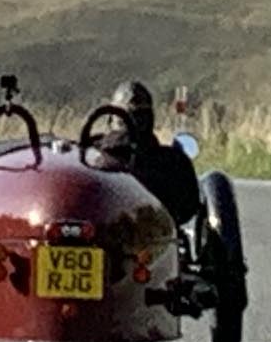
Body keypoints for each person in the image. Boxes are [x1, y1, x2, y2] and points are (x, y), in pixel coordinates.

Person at [83, 76, 202, 230]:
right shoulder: (174, 162)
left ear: (112, 119)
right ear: (150, 119)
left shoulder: (90, 158)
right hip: (157, 236)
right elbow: (188, 209)